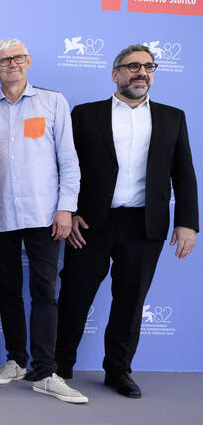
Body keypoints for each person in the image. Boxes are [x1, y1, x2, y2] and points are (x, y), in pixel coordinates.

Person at [56, 44, 198, 398]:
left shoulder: (172, 117)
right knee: (74, 295)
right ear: (115, 73)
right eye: (133, 66)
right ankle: (58, 366)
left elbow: (185, 174)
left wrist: (188, 223)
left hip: (144, 225)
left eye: (149, 66)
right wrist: (70, 212)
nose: (142, 72)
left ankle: (118, 371)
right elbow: (66, 168)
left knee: (131, 302)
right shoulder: (85, 115)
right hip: (90, 224)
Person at [0, 38, 87, 404]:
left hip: (45, 214)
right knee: (8, 291)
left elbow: (69, 161)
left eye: (19, 58)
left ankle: (46, 370)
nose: (12, 64)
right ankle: (16, 361)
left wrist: (65, 209)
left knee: (44, 292)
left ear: (28, 62)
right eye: (4, 60)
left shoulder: (53, 102)